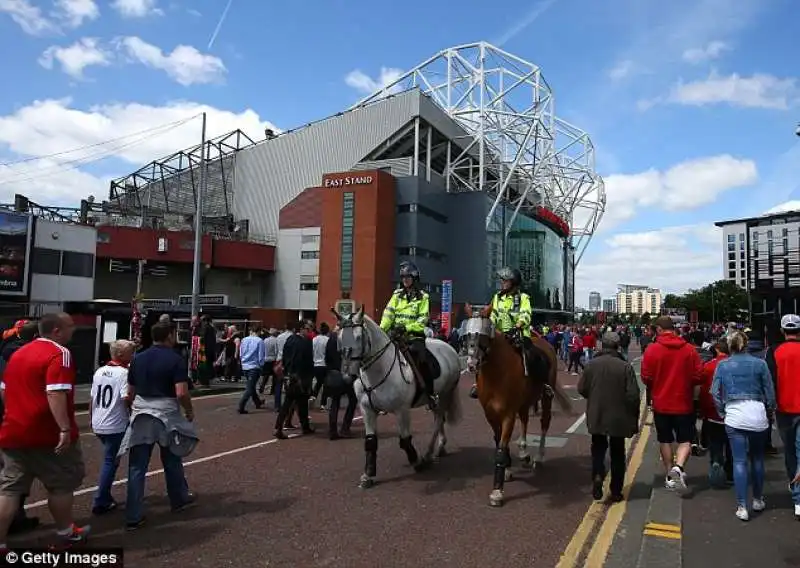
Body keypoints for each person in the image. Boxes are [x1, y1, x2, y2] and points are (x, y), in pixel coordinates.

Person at [0, 313, 89, 550]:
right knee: (61, 484)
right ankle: (65, 532)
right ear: (57, 331)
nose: (73, 331)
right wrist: (64, 428)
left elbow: (4, 390)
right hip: (46, 432)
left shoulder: (17, 353)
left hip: (14, 430)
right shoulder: (60, 354)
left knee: (10, 489)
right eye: (70, 327)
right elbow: (55, 392)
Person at [123, 321, 198, 530]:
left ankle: (133, 515)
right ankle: (179, 499)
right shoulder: (175, 359)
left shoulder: (138, 358)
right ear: (170, 335)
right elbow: (181, 392)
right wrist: (189, 410)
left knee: (137, 466)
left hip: (142, 412)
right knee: (172, 459)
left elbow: (130, 392)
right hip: (166, 413)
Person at [711, 331, 775, 521]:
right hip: (757, 413)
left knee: (739, 461)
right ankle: (757, 499)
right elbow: (769, 392)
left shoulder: (723, 365)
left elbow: (714, 392)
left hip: (734, 415)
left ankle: (742, 506)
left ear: (729, 346)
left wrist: (723, 411)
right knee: (757, 459)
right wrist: (769, 410)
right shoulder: (760, 363)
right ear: (746, 344)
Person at [641, 316, 703, 494]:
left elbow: (646, 377)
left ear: (659, 329)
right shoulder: (689, 350)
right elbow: (699, 376)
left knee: (665, 439)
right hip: (683, 401)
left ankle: (669, 474)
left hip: (661, 402)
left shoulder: (652, 350)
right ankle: (679, 467)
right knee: (685, 440)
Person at [578, 332, 640, 503]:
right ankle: (616, 490)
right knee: (618, 453)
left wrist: (594, 396)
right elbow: (633, 396)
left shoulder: (591, 364)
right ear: (617, 346)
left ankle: (597, 475)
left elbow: (581, 389)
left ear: (602, 345)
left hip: (597, 414)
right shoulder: (624, 366)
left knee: (598, 448)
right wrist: (633, 417)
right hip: (618, 417)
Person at [469, 266, 533, 399]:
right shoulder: (497, 298)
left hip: (518, 334)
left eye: (505, 281)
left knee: (531, 355)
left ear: (513, 283)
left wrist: (518, 326)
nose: (502, 283)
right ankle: (478, 383)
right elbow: (494, 315)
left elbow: (526, 314)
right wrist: (488, 324)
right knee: (481, 351)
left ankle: (539, 385)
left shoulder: (523, 298)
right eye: (502, 281)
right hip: (500, 335)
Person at [0, 320, 39, 534]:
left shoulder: (5, 352)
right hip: (14, 421)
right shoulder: (24, 357)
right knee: (15, 476)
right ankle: (14, 519)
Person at [379, 261, 435, 409]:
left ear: (415, 278)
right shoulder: (396, 295)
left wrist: (406, 327)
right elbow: (388, 313)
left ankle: (430, 393)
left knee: (423, 360)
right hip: (395, 335)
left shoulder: (424, 297)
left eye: (408, 277)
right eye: (403, 277)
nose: (405, 280)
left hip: (413, 336)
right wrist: (381, 330)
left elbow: (423, 320)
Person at [89, 339, 135, 515]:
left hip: (99, 421)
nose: (133, 356)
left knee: (110, 458)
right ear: (121, 355)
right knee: (111, 461)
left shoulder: (100, 371)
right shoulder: (124, 373)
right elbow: (126, 398)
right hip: (115, 423)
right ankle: (101, 499)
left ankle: (105, 497)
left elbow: (92, 399)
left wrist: (92, 420)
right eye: (131, 352)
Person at [765, 314, 800, 519]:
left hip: (784, 409)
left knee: (791, 453)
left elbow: (770, 383)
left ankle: (797, 495)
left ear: (782, 330)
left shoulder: (774, 352)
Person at [699, 339, 733, 488]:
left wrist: (702, 410)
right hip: (733, 412)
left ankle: (717, 472)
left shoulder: (708, 366)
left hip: (713, 413)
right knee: (731, 446)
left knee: (716, 445)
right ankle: (731, 473)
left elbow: (704, 391)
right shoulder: (736, 365)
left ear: (717, 350)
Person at [274, 321, 315, 439]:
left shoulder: (290, 339)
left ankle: (281, 427)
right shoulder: (305, 342)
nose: (310, 331)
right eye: (308, 328)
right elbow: (306, 361)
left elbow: (285, 357)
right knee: (297, 402)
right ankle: (301, 426)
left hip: (289, 375)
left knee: (292, 402)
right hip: (301, 376)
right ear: (302, 329)